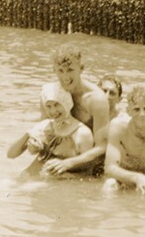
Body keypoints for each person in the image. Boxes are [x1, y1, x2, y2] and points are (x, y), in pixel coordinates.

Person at [39, 44, 110, 176]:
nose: (65, 77)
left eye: (70, 70)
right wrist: (35, 141)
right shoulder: (50, 94)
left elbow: (102, 147)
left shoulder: (96, 99)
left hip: (87, 163)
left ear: (81, 68)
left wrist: (69, 163)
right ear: (54, 70)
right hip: (58, 156)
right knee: (19, 180)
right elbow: (43, 130)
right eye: (60, 70)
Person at [8, 82, 94, 175]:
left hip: (54, 183)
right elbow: (11, 155)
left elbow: (87, 171)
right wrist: (28, 135)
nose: (53, 111)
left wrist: (66, 166)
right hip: (29, 177)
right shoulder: (43, 126)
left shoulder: (82, 133)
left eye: (57, 105)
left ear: (67, 103)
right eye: (49, 106)